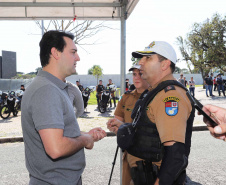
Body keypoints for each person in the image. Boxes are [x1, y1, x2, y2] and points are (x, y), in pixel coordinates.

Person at [21, 30, 106, 185]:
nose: (78, 58)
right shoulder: (46, 90)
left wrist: (85, 134)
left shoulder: (52, 87)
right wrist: (85, 139)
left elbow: (56, 132)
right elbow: (56, 148)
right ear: (56, 53)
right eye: (73, 52)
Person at [110, 41, 195, 185]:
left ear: (165, 64)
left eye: (148, 58)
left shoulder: (170, 96)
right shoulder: (153, 93)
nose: (141, 62)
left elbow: (175, 156)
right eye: (141, 58)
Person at [107, 64, 149, 185]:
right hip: (129, 155)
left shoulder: (155, 97)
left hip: (150, 157)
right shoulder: (126, 97)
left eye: (140, 74)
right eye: (134, 74)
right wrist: (114, 127)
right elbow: (117, 125)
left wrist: (123, 126)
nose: (136, 78)